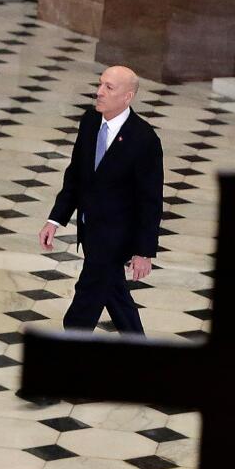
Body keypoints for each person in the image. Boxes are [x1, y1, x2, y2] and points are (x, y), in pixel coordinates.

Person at [39, 65, 163, 336]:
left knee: (83, 305)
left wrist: (144, 251)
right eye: (100, 84)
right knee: (116, 297)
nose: (99, 92)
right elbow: (75, 175)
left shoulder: (144, 140)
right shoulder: (90, 121)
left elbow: (150, 201)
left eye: (109, 87)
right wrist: (55, 219)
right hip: (90, 230)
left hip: (116, 237)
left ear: (127, 97)